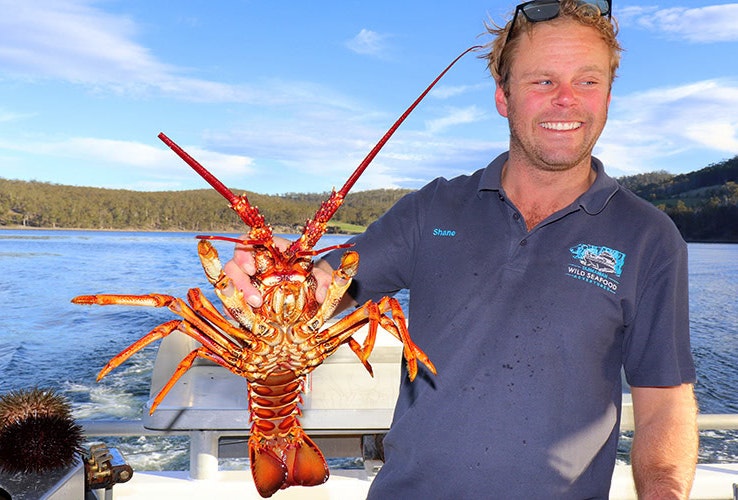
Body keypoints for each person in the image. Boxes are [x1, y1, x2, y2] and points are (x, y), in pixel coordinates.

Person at [226, 0, 699, 497]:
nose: (567, 100)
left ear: (608, 95)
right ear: (503, 96)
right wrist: (268, 283)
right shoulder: (430, 209)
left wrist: (665, 489)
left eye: (588, 80)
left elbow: (665, 401)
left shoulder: (650, 237)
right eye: (542, 81)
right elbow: (326, 290)